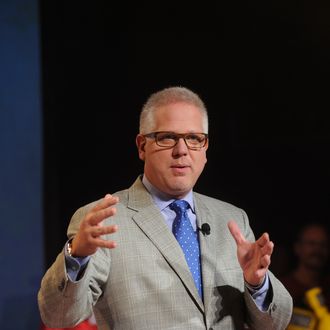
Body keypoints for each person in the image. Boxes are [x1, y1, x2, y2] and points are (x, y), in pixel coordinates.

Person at [38, 86, 292, 330]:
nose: (181, 151)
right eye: (167, 137)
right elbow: (58, 315)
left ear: (205, 148)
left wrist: (257, 283)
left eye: (194, 138)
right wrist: (77, 256)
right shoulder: (103, 219)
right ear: (142, 146)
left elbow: (275, 323)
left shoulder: (232, 219)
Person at [280, 223, 330, 328]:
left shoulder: (327, 289)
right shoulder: (282, 288)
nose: (317, 250)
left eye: (323, 245)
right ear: (298, 248)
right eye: (311, 244)